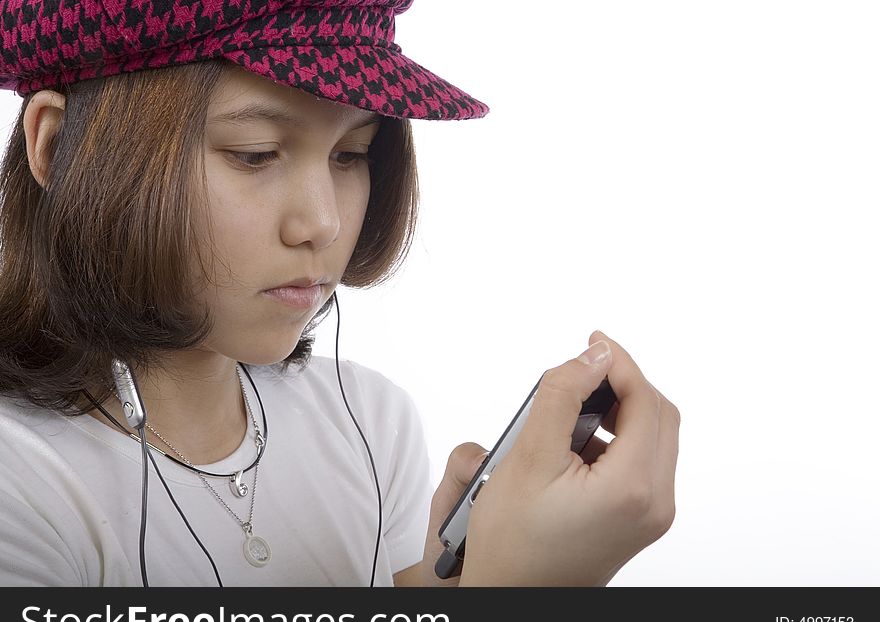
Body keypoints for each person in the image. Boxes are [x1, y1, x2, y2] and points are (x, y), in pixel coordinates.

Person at [0, 0, 679, 587]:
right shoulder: (18, 484)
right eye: (256, 153)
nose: (322, 222)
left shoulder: (369, 423)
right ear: (58, 148)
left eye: (351, 154)